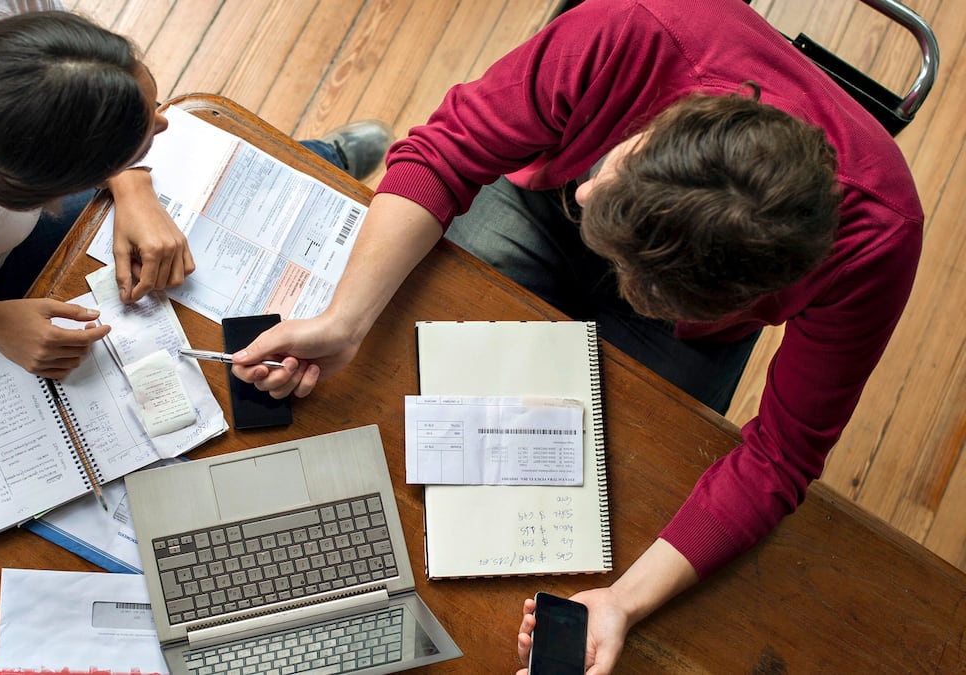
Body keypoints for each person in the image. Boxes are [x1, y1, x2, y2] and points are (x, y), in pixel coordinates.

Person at [228, 0, 922, 672]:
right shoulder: (631, 28)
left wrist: (622, 601)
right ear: (671, 121)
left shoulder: (878, 242)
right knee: (419, 369)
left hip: (689, 323)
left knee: (623, 475)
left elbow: (780, 457)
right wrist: (343, 321)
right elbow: (447, 151)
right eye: (622, 161)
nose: (588, 193)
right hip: (537, 201)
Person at [0, 0, 390, 380]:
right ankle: (323, 161)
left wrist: (132, 182)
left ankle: (323, 161)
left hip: (2, 220)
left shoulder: (12, 28)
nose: (163, 124)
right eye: (141, 140)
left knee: (230, 188)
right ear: (54, 192)